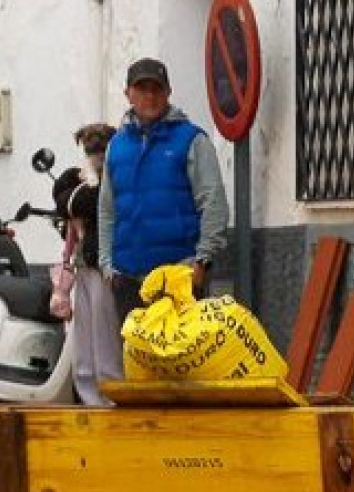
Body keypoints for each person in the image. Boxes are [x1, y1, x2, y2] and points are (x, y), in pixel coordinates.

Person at [104, 56, 228, 299]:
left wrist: (202, 262)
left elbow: (213, 202)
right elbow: (107, 210)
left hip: (179, 276)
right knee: (131, 340)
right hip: (128, 279)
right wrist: (108, 266)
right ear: (127, 93)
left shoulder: (192, 140)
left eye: (157, 88)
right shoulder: (116, 145)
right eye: (141, 89)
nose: (149, 96)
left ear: (168, 92)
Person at [52, 122, 122, 403]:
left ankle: (108, 394)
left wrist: (72, 196)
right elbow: (71, 203)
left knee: (103, 331)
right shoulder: (83, 175)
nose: (95, 150)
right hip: (84, 260)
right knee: (85, 331)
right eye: (89, 144)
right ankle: (89, 393)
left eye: (100, 144)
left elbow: (81, 201)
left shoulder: (111, 175)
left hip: (104, 260)